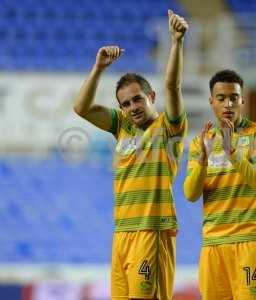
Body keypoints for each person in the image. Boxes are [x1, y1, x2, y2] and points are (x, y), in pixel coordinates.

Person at [73, 10, 188, 300]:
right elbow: (82, 109)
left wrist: (176, 42)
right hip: (122, 234)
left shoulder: (170, 127)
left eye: (138, 99)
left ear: (151, 98)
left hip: (152, 232)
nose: (132, 107)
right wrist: (98, 68)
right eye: (125, 103)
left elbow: (172, 85)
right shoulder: (122, 126)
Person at [184, 69, 256, 300]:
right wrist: (203, 161)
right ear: (211, 102)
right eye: (221, 98)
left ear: (242, 101)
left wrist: (231, 152)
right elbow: (190, 194)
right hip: (213, 244)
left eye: (234, 98)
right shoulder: (200, 142)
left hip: (250, 242)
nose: (228, 103)